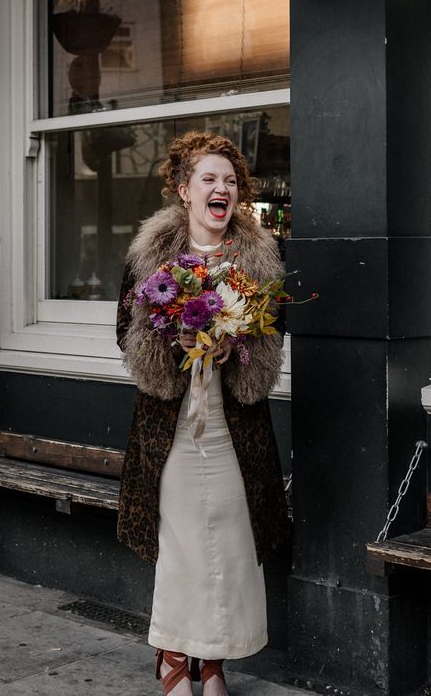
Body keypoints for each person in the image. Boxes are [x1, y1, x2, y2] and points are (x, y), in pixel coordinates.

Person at [116, 131, 290, 696]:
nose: (222, 189)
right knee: (183, 547)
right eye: (209, 179)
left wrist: (233, 344)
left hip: (233, 425)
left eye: (231, 181)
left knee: (234, 547)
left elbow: (274, 334)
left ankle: (213, 664)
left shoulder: (259, 259)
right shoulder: (149, 258)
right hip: (170, 426)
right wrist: (177, 340)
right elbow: (126, 332)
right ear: (184, 191)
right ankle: (172, 659)